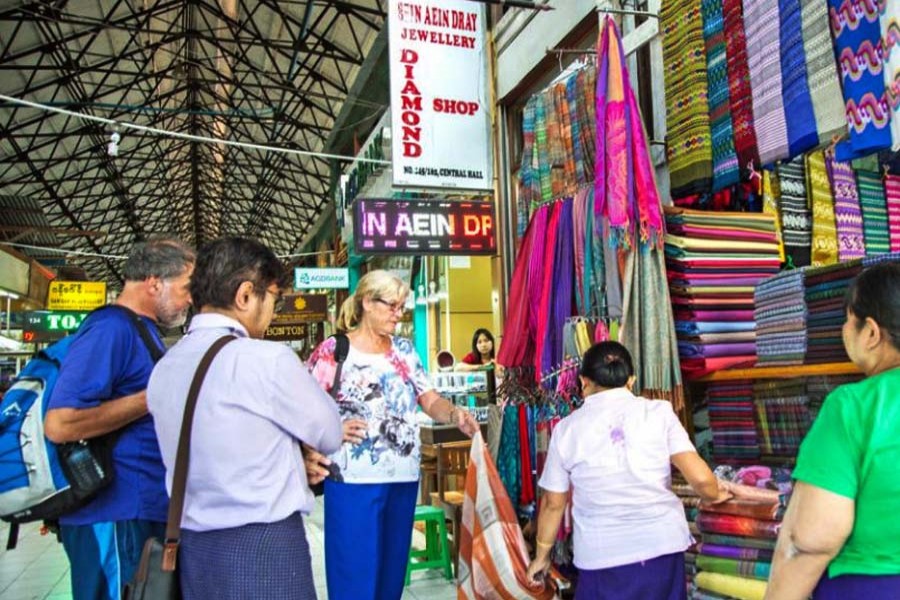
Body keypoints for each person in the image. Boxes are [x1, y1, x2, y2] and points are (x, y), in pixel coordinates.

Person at [146, 237, 342, 599]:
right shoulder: (266, 360)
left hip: (193, 550)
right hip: (265, 549)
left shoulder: (165, 369)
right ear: (245, 295)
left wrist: (290, 457)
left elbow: (217, 444)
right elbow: (330, 433)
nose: (274, 312)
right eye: (274, 298)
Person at [304, 269, 480, 600]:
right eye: (392, 306)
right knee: (353, 575)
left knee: (390, 576)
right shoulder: (335, 350)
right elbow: (305, 406)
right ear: (367, 303)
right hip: (352, 479)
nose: (398, 315)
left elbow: (429, 399)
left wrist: (454, 413)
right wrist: (333, 430)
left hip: (402, 476)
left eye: (402, 308)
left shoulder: (404, 350)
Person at [44, 239, 195, 600]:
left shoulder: (141, 331)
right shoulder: (110, 328)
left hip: (138, 508)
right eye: (187, 288)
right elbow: (61, 424)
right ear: (155, 282)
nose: (190, 299)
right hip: (112, 513)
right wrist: (153, 396)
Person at [526, 341, 731, 600]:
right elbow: (701, 479)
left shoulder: (566, 430)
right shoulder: (659, 413)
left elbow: (553, 504)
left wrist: (542, 556)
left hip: (602, 556)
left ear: (583, 381)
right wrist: (716, 494)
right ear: (631, 380)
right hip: (661, 548)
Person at [766, 261, 900, 600]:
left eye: (846, 319)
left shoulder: (853, 406)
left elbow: (812, 539)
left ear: (871, 332)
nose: (843, 329)